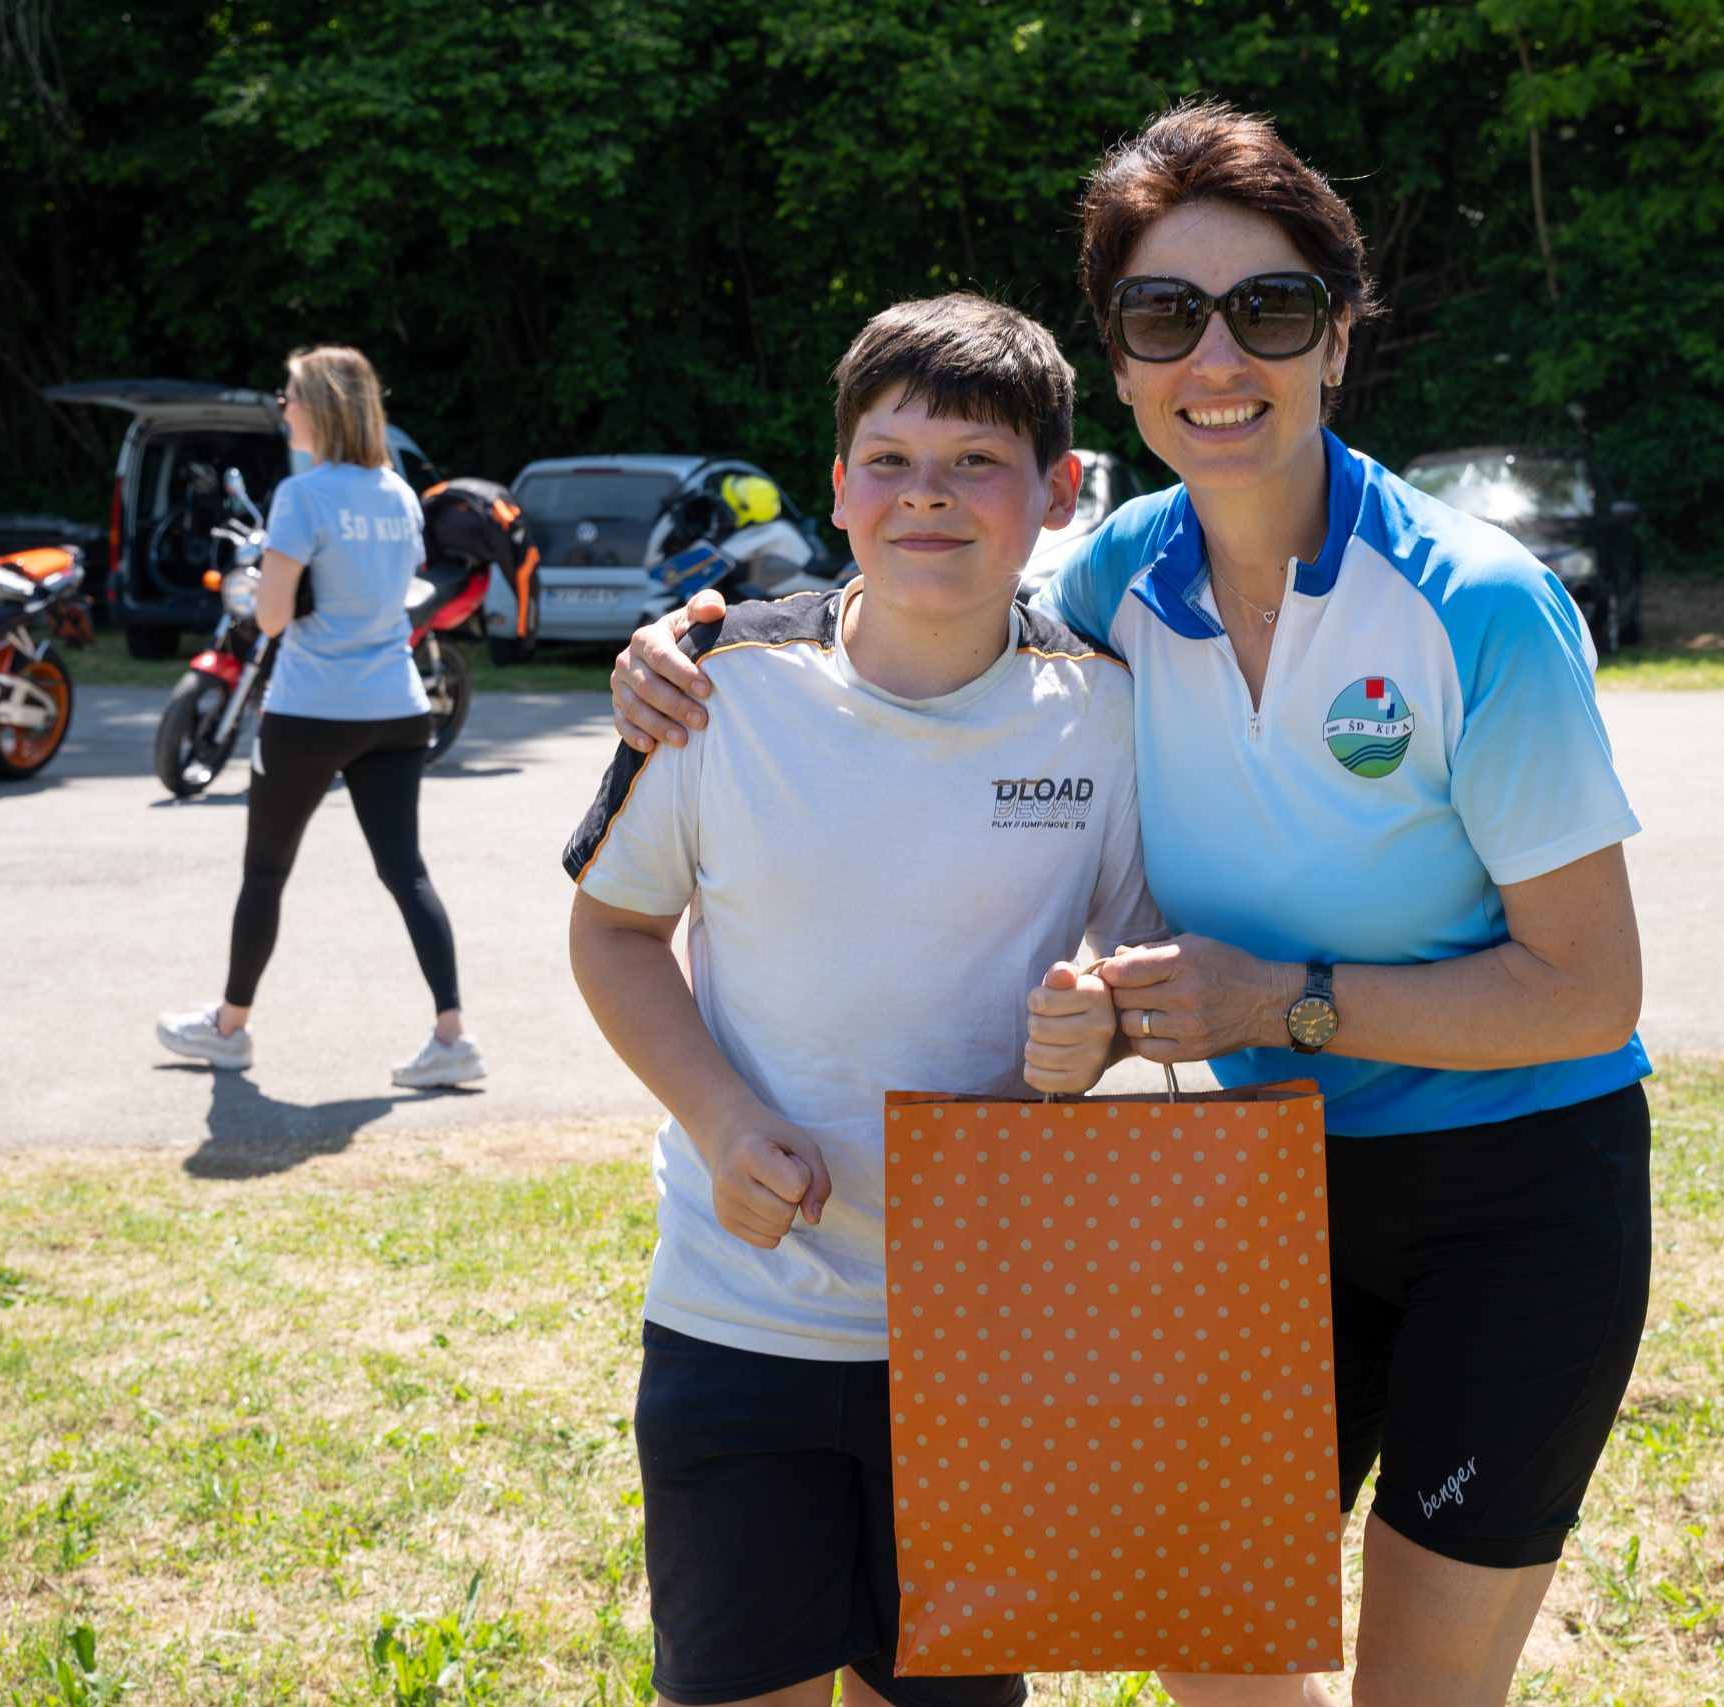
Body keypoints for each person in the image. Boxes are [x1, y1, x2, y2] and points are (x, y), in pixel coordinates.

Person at [611, 103, 1650, 1707]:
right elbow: (919, 594)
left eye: (1270, 309)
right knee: (1208, 1649)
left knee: (1425, 1683)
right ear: (1124, 359)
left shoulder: (1478, 604)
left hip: (1513, 1195)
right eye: (1167, 315)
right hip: (1258, 1195)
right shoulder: (1111, 584)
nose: (1217, 357)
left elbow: (1588, 988)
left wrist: (1283, 998)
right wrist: (697, 644)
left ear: (1339, 337)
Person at [565, 294, 1159, 1707]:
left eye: (977, 462)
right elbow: (616, 931)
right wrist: (722, 1121)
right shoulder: (715, 687)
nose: (926, 495)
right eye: (889, 460)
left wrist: (1104, 1027)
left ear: (1058, 493)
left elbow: (1148, 974)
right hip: (738, 1317)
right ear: (837, 489)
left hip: (985, 1334)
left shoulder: (1106, 713)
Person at [156, 343, 484, 1089]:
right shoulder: (399, 494)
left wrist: (271, 579)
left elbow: (271, 618)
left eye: (290, 396)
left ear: (322, 408)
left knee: (265, 871)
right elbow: (393, 594)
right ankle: (453, 1036)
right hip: (396, 708)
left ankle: (229, 1029)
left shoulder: (300, 496)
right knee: (406, 871)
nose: (283, 408)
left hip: (310, 710)